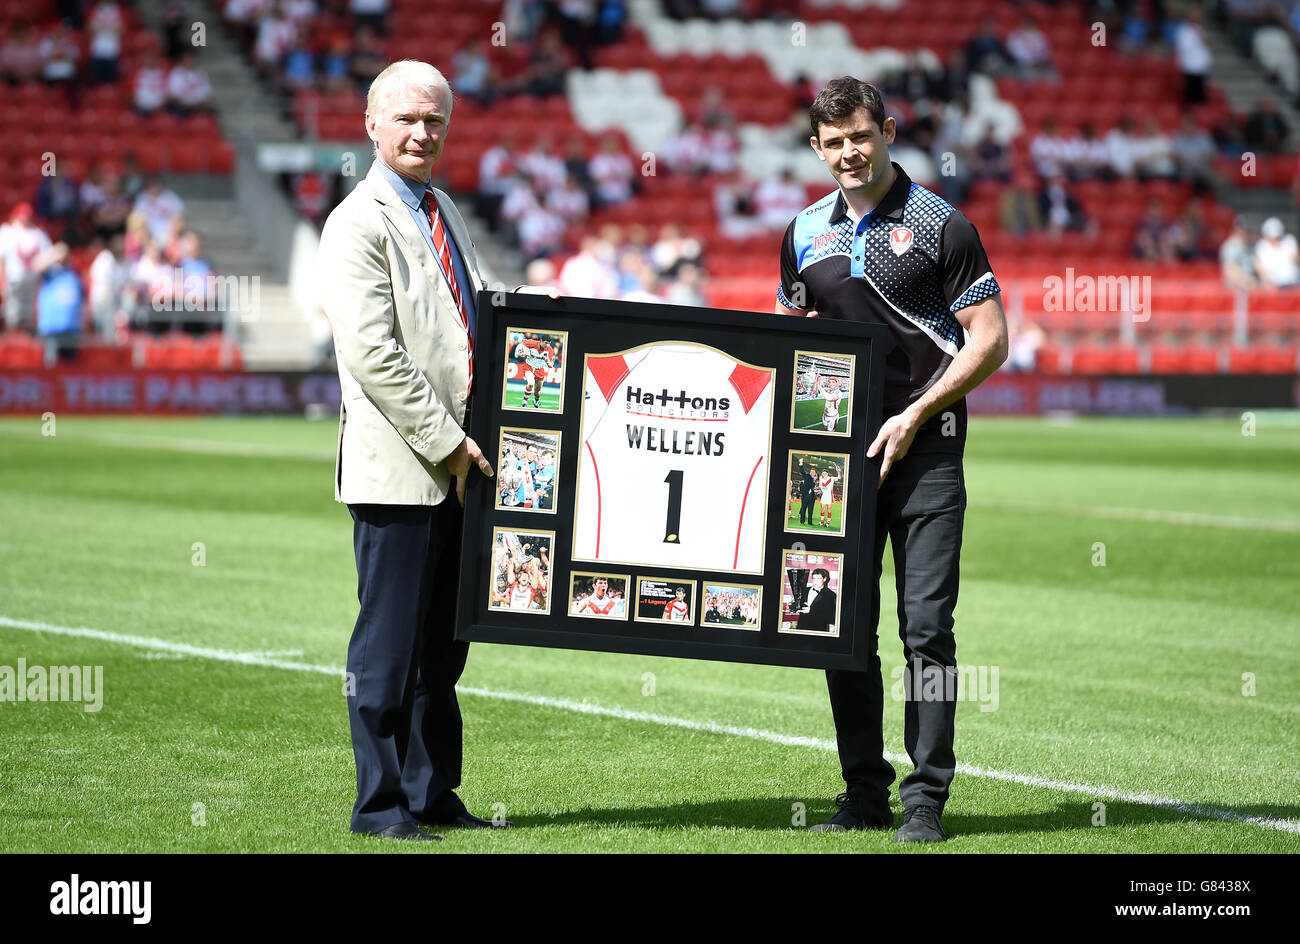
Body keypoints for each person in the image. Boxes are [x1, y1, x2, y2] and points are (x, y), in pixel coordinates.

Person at [776, 77, 1008, 842]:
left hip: (928, 454)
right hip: (833, 465)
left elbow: (990, 338)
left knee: (926, 631)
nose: (849, 152)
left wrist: (914, 414)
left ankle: (925, 800)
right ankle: (863, 795)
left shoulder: (943, 224)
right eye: (834, 141)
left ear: (889, 131)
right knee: (838, 625)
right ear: (817, 148)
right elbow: (785, 343)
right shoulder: (801, 231)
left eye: (861, 136)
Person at [316, 59, 540, 842]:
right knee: (387, 650)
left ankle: (432, 793)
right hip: (404, 471)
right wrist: (449, 444)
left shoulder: (444, 208)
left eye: (435, 120)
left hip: (459, 471)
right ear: (372, 125)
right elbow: (375, 356)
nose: (421, 133)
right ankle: (379, 806)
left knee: (443, 653)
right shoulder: (356, 221)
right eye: (406, 119)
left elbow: (478, 313)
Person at [797, 568, 837, 632]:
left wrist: (811, 611)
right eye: (814, 578)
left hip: (817, 630)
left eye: (819, 578)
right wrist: (794, 606)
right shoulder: (805, 590)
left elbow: (830, 617)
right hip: (801, 627)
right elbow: (800, 605)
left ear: (824, 579)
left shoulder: (830, 595)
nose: (816, 581)